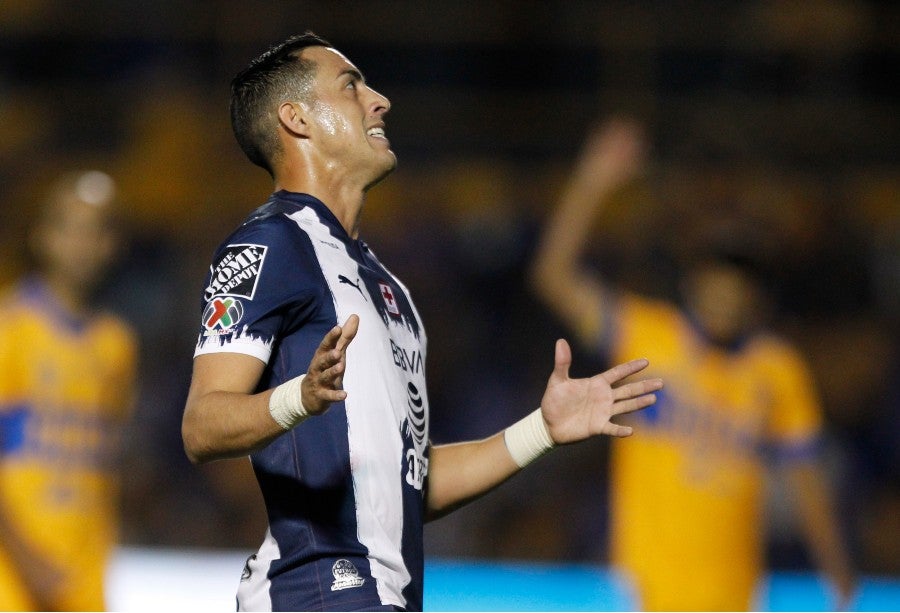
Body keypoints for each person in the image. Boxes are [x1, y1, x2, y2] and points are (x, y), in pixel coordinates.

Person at [180, 32, 663, 612]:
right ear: (296, 118)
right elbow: (201, 426)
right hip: (316, 592)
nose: (379, 99)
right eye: (351, 86)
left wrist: (542, 429)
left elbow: (408, 485)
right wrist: (298, 399)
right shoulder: (268, 244)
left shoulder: (389, 287)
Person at [529, 118, 857, 611]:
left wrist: (838, 576)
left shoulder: (776, 368)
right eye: (716, 276)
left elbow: (806, 480)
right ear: (693, 283)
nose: (726, 292)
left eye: (739, 280)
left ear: (755, 296)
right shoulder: (648, 335)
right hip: (638, 592)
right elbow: (553, 276)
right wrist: (593, 181)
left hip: (732, 597)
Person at [0, 171, 138, 611]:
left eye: (96, 230)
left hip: (84, 575)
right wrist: (26, 557)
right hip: (13, 574)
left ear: (111, 244)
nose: (82, 243)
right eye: (68, 227)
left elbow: (108, 456)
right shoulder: (10, 331)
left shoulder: (116, 344)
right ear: (42, 236)